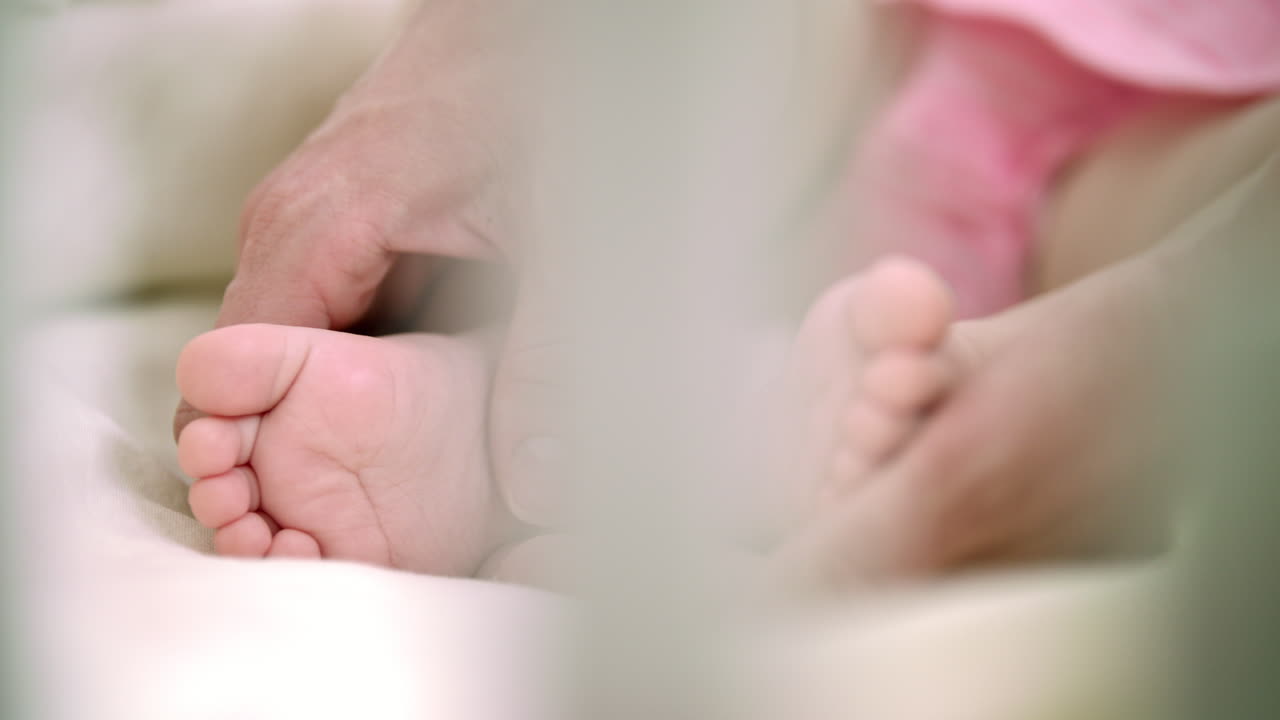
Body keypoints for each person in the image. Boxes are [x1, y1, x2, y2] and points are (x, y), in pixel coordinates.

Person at [173, 0, 1280, 589]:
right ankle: (532, 392)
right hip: (862, 67)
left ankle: (709, 428)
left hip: (1120, 195)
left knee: (1212, 216)